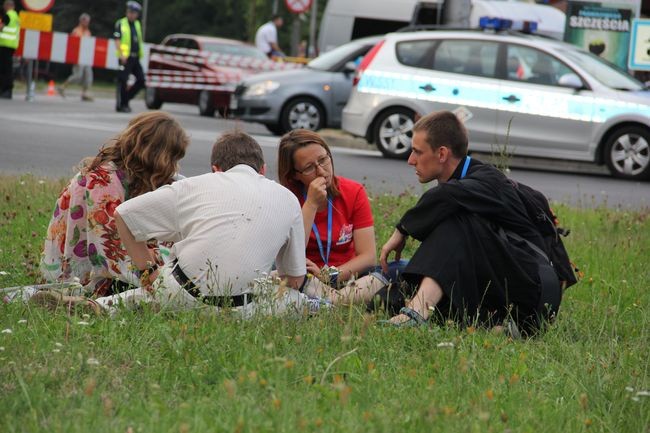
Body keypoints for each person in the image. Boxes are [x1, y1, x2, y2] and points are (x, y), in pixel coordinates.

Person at [37, 131, 311, 317]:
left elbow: (124, 214)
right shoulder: (287, 199)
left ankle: (96, 306)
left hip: (180, 291)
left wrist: (147, 272)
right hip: (240, 306)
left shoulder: (195, 185)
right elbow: (294, 279)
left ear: (215, 169)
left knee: (143, 297)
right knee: (301, 303)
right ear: (263, 169)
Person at [378, 110, 562, 335]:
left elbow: (443, 196)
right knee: (393, 296)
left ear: (442, 154)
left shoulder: (487, 181)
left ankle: (416, 314)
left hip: (534, 296)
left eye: (417, 151)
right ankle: (489, 325)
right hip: (505, 286)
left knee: (457, 221)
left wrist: (402, 229)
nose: (410, 160)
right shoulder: (467, 182)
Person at [40, 111, 189, 298]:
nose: (175, 167)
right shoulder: (102, 180)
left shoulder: (137, 176)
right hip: (90, 273)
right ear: (155, 156)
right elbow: (108, 248)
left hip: (121, 264)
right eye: (173, 159)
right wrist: (159, 279)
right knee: (153, 295)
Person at [277, 129, 404, 304]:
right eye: (309, 168)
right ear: (294, 175)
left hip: (347, 277)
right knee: (277, 274)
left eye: (323, 159)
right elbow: (292, 253)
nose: (321, 171)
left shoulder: (353, 191)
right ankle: (340, 301)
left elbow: (368, 256)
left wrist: (329, 275)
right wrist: (311, 204)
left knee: (402, 267)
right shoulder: (285, 198)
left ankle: (332, 299)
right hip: (304, 278)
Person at [113, 1, 145, 113]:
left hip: (135, 58)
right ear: (127, 12)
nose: (132, 15)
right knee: (123, 80)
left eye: (134, 13)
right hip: (125, 58)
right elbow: (117, 39)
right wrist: (121, 54)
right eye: (130, 12)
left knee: (141, 80)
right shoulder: (121, 23)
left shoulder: (137, 24)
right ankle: (122, 104)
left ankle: (126, 99)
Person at [58, 13, 94, 101]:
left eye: (88, 22)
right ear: (81, 21)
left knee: (88, 76)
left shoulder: (88, 32)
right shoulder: (76, 31)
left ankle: (84, 94)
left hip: (86, 57)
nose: (87, 23)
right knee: (78, 75)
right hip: (78, 57)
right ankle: (62, 87)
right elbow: (72, 45)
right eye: (85, 21)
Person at [0, 0, 19, 99]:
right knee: (7, 69)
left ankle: (6, 90)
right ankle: (6, 90)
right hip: (10, 45)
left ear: (8, 5)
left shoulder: (8, 15)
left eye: (4, 6)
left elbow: (1, 27)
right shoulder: (15, 16)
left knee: (4, 69)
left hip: (5, 45)